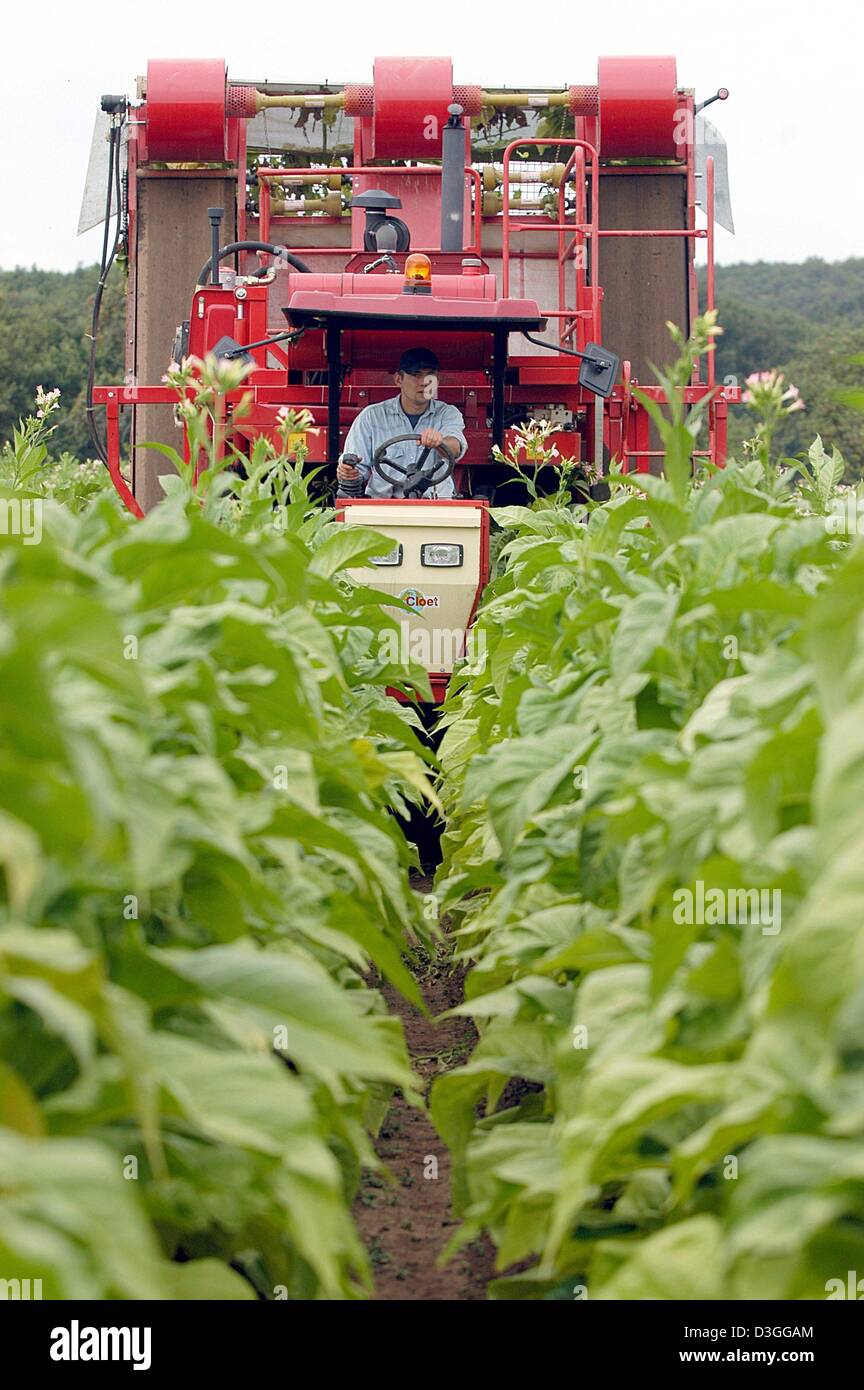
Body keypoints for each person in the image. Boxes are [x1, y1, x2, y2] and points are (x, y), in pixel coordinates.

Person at [336, 347, 466, 498]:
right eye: (416, 375)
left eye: (430, 375)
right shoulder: (371, 416)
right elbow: (357, 470)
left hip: (436, 504)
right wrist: (348, 472)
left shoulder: (448, 413)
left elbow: (455, 448)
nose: (424, 382)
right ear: (399, 379)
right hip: (383, 505)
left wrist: (440, 442)